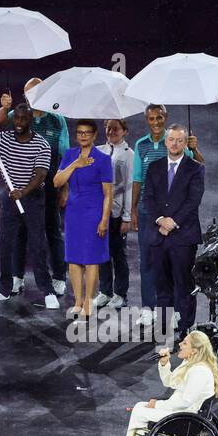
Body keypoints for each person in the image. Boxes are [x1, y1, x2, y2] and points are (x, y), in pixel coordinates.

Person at [0, 103, 58, 309]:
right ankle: (3, 288)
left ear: (30, 120)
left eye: (23, 119)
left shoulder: (42, 144)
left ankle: (47, 290)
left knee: (37, 245)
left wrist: (23, 192)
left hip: (33, 198)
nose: (18, 123)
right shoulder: (3, 138)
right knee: (5, 244)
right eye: (16, 118)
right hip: (10, 197)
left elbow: (40, 175)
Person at [131, 104, 204, 323]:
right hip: (158, 231)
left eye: (179, 140)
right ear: (166, 141)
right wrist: (160, 219)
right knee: (161, 282)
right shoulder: (154, 167)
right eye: (171, 140)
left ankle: (185, 327)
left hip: (183, 234)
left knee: (183, 282)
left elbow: (194, 200)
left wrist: (174, 221)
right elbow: (148, 196)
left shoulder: (195, 168)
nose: (174, 144)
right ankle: (164, 324)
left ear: (185, 143)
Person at [0, 78, 68, 296]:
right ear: (25, 95)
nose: (33, 95)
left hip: (50, 186)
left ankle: (58, 277)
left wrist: (65, 188)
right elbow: (0, 121)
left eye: (37, 91)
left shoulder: (57, 120)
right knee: (20, 232)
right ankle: (17, 278)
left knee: (53, 231)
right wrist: (4, 107)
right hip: (21, 186)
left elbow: (65, 155)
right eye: (29, 92)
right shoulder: (19, 116)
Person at [119, 329, 218, 436]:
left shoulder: (199, 371)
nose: (179, 344)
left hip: (186, 417)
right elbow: (170, 382)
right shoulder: (189, 363)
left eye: (185, 343)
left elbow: (185, 401)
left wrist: (157, 405)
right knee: (139, 406)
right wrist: (164, 363)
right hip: (179, 410)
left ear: (194, 350)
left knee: (139, 412)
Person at [53, 119, 112, 320]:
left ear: (95, 135)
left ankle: (88, 300)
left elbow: (108, 194)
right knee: (74, 258)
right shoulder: (70, 155)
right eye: (79, 132)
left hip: (94, 212)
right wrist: (75, 164)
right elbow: (56, 181)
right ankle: (77, 301)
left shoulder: (103, 159)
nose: (83, 136)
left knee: (91, 259)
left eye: (87, 132)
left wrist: (104, 219)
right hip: (74, 213)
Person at [96, 118, 133, 309]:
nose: (111, 132)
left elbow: (128, 187)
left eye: (116, 128)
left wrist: (127, 216)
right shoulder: (99, 151)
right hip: (100, 212)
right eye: (108, 128)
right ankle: (104, 291)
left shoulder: (129, 155)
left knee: (118, 254)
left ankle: (120, 293)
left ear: (124, 131)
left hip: (117, 213)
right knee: (102, 253)